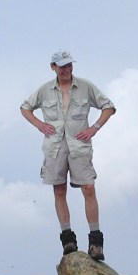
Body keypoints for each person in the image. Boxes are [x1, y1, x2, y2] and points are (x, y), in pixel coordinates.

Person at [20, 50, 116, 261]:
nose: (67, 69)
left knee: (88, 188)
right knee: (59, 189)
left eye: (69, 65)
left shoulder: (85, 86)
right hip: (54, 147)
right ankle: (67, 238)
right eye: (62, 66)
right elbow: (25, 107)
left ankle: (96, 242)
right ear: (53, 67)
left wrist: (95, 127)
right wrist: (39, 125)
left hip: (79, 146)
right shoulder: (45, 90)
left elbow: (108, 106)